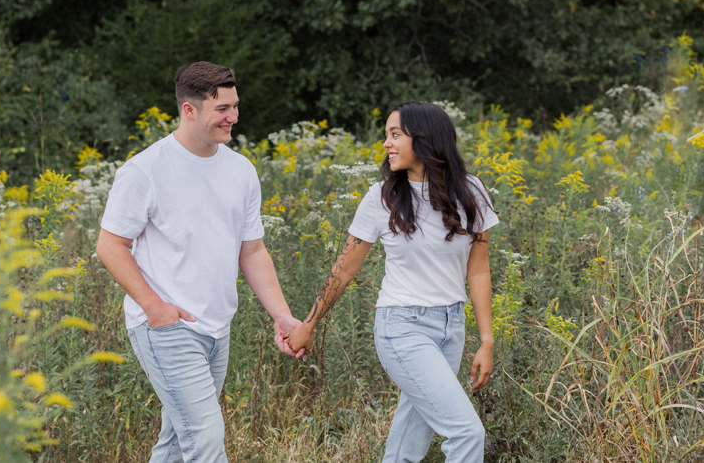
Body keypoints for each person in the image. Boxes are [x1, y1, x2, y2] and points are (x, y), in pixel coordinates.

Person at [95, 61, 302, 463]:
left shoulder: (241, 170)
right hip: (167, 328)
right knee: (205, 439)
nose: (234, 117)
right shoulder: (145, 170)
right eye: (222, 109)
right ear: (189, 110)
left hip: (217, 326)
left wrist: (282, 316)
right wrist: (154, 308)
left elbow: (253, 251)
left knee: (176, 441)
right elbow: (110, 245)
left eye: (235, 105)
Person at [286, 101, 498, 463]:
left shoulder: (471, 191)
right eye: (386, 134)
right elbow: (345, 269)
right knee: (466, 432)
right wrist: (308, 324)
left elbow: (478, 270)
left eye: (395, 134)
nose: (386, 143)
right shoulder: (381, 198)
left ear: (426, 139)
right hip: (402, 327)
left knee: (408, 444)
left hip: (451, 328)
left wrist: (487, 339)